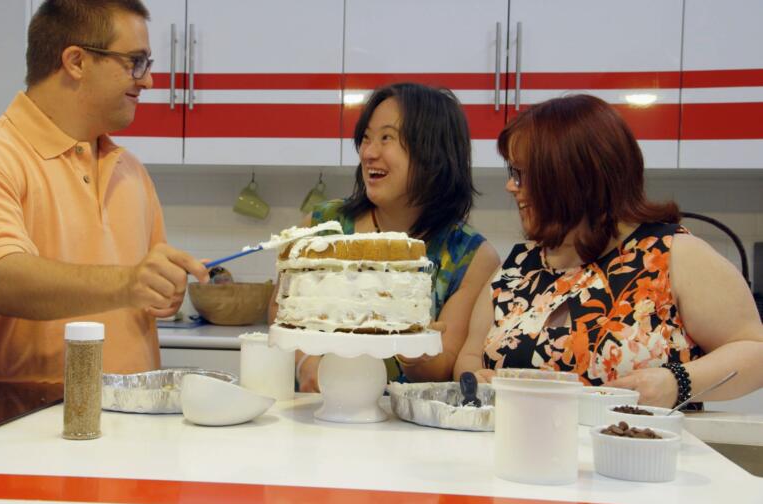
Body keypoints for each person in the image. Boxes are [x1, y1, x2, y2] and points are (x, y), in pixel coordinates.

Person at [0, 0, 208, 382]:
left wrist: (161, 288)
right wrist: (129, 282)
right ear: (76, 61)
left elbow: (142, 287)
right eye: (135, 62)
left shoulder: (131, 171)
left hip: (129, 420)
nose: (147, 81)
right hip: (14, 427)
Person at [453, 94, 763, 408]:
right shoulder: (517, 268)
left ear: (575, 178)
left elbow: (754, 348)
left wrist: (677, 382)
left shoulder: (673, 256)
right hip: (520, 450)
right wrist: (475, 379)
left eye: (523, 174)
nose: (511, 186)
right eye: (513, 173)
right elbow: (471, 355)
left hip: (638, 452)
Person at [270, 82, 500, 392]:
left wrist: (413, 348)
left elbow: (444, 364)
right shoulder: (324, 227)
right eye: (366, 138)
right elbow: (282, 308)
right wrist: (306, 364)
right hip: (316, 414)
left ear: (432, 152)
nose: (368, 152)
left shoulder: (470, 257)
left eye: (386, 138)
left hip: (405, 429)